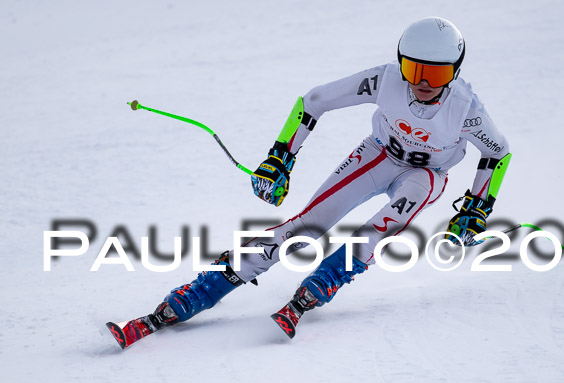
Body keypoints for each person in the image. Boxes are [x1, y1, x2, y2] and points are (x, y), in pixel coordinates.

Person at [106, 17, 511, 348]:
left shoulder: (466, 109)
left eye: (436, 73)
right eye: (413, 69)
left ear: (455, 71)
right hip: (377, 155)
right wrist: (281, 158)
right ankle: (194, 295)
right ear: (400, 62)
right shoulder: (385, 80)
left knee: (377, 231)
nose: (422, 82)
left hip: (425, 175)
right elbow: (313, 101)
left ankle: (320, 284)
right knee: (304, 229)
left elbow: (498, 152)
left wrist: (478, 206)